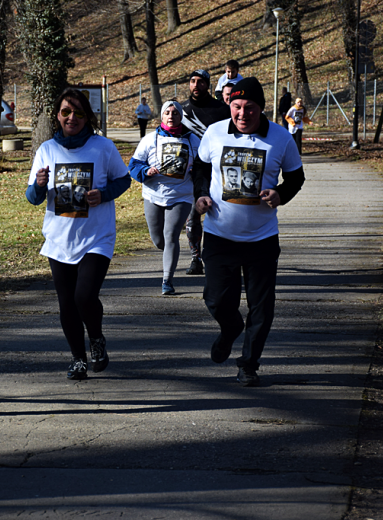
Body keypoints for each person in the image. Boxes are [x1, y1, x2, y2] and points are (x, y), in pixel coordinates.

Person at [194, 77, 305, 387]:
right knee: (215, 299)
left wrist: (280, 195)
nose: (242, 114)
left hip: (261, 239)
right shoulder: (215, 133)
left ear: (262, 109)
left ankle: (249, 364)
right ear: (230, 106)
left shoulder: (281, 139)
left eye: (250, 108)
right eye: (237, 107)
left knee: (262, 307)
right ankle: (230, 329)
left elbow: (296, 178)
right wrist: (200, 195)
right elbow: (201, 168)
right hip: (219, 234)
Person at [26, 88, 131, 380]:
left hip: (96, 237)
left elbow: (124, 180)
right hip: (59, 239)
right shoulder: (46, 149)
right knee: (66, 304)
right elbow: (32, 197)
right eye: (65, 112)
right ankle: (78, 359)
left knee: (84, 296)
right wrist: (38, 184)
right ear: (58, 116)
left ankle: (96, 339)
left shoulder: (103, 147)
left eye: (78, 113)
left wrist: (104, 194)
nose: (72, 118)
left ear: (87, 116)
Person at [129, 100, 201, 295]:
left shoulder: (193, 140)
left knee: (171, 236)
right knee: (159, 240)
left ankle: (167, 280)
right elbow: (133, 165)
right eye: (167, 112)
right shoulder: (150, 139)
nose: (171, 116)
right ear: (161, 116)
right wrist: (145, 170)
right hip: (153, 194)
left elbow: (205, 167)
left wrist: (196, 172)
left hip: (181, 195)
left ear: (181, 117)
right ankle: (168, 253)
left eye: (175, 113)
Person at [182, 69, 231, 276]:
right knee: (193, 217)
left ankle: (221, 257)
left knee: (221, 216)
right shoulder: (181, 110)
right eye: (192, 81)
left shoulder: (221, 110)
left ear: (208, 85)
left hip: (218, 172)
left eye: (200, 82)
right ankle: (196, 258)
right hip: (191, 173)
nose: (196, 85)